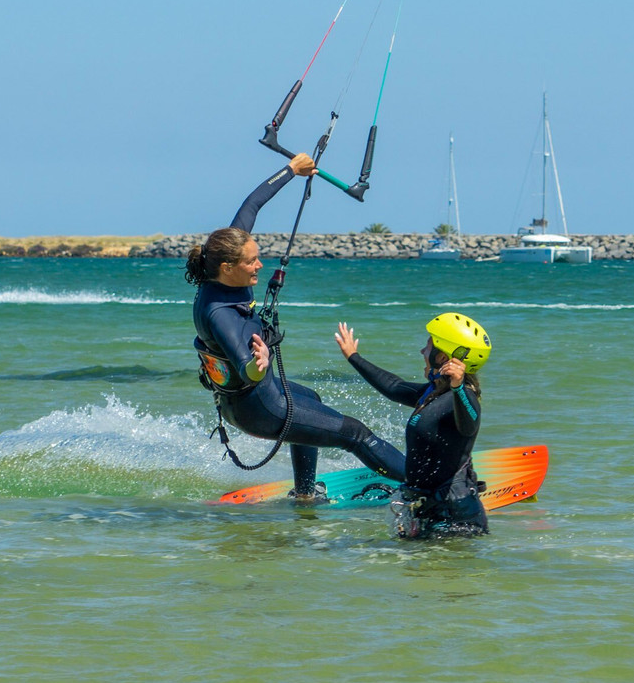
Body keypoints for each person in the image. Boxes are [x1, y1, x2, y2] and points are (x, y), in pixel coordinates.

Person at [186, 154, 406, 501]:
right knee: (356, 434)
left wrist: (292, 170)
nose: (260, 264)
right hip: (259, 407)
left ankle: (305, 493)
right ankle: (434, 487)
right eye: (251, 261)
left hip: (253, 397)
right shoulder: (220, 314)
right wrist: (257, 368)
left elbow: (252, 204)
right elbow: (246, 369)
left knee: (311, 398)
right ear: (228, 268)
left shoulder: (220, 272)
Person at [335, 312, 492, 538]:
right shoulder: (432, 394)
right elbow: (393, 386)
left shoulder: (463, 397)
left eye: (428, 347)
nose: (422, 351)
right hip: (429, 514)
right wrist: (353, 357)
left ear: (441, 357)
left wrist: (458, 386)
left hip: (455, 521)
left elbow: (469, 426)